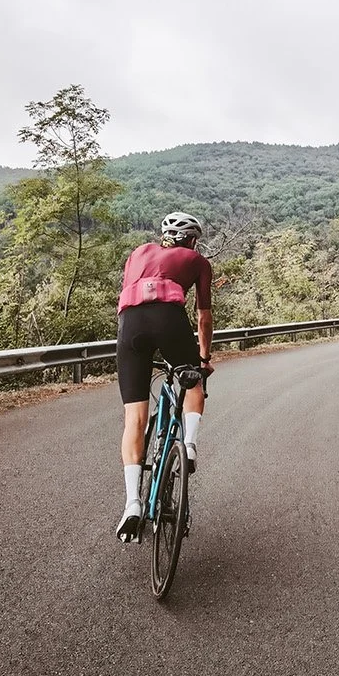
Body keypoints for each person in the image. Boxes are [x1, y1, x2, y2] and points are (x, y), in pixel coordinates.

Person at [115, 211, 213, 542]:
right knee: (193, 380)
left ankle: (132, 504)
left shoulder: (137, 254)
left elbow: (131, 295)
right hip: (169, 321)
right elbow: (203, 318)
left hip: (130, 329)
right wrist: (203, 359)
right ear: (192, 240)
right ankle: (187, 446)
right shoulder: (196, 260)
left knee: (135, 419)